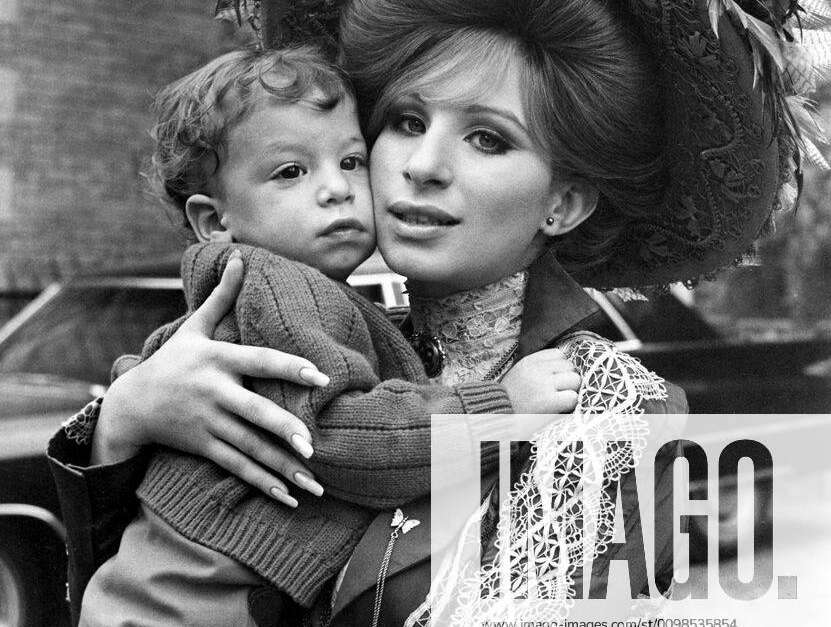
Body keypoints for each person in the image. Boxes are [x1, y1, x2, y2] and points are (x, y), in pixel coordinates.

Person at [48, 0, 810, 624]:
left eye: (486, 138)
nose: (421, 164)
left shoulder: (609, 419)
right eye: (407, 121)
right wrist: (125, 419)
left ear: (562, 202)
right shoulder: (324, 339)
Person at [54, 43, 581, 626]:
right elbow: (335, 439)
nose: (337, 188)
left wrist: (127, 404)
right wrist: (503, 408)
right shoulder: (282, 286)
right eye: (291, 172)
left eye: (351, 161)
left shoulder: (291, 296)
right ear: (214, 221)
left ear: (565, 203)